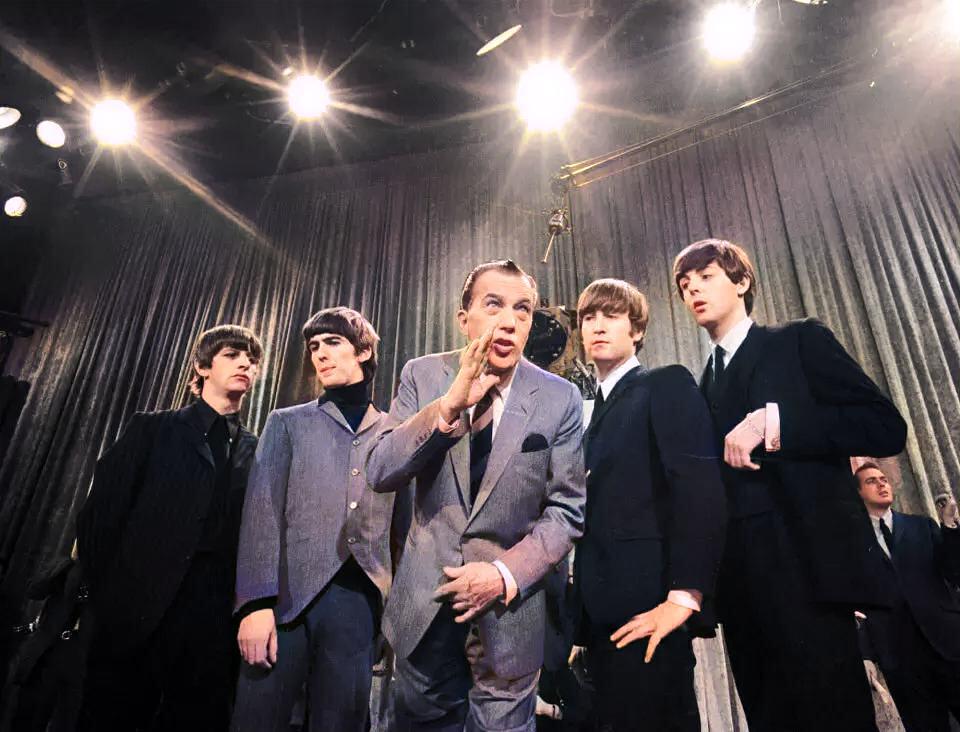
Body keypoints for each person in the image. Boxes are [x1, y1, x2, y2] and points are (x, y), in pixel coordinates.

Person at [673, 238, 908, 731]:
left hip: (808, 578)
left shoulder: (798, 340)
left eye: (707, 276)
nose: (693, 289)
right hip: (740, 591)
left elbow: (885, 426)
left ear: (742, 282)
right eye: (684, 285)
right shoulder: (700, 384)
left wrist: (776, 425)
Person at [366, 259, 587, 731]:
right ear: (463, 318)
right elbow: (381, 470)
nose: (509, 320)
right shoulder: (423, 376)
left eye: (523, 309)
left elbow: (566, 512)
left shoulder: (559, 397)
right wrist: (448, 407)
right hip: (424, 609)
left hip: (509, 611)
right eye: (494, 305)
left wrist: (503, 573)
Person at [76, 325, 263, 731]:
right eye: (233, 354)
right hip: (134, 610)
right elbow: (100, 517)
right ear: (201, 366)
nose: (246, 363)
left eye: (252, 359)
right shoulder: (152, 428)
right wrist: (109, 595)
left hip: (209, 620)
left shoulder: (257, 448)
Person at [231, 307, 396, 732]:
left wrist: (390, 613)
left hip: (357, 605)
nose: (320, 353)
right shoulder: (287, 423)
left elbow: (404, 529)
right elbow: (261, 514)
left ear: (363, 351)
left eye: (333, 342)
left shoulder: (396, 434)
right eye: (314, 346)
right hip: (284, 603)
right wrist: (254, 604)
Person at [573, 278, 726, 731]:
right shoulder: (590, 413)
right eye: (588, 317)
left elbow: (701, 489)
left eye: (611, 315)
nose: (597, 326)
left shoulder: (664, 384)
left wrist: (686, 595)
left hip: (650, 606)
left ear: (637, 330)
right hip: (601, 620)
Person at [855, 462, 960, 732]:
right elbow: (859, 606)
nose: (881, 484)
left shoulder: (922, 527)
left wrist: (949, 528)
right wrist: (867, 655)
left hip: (949, 645)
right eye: (871, 481)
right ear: (857, 493)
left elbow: (954, 573)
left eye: (883, 479)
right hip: (902, 659)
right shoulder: (853, 547)